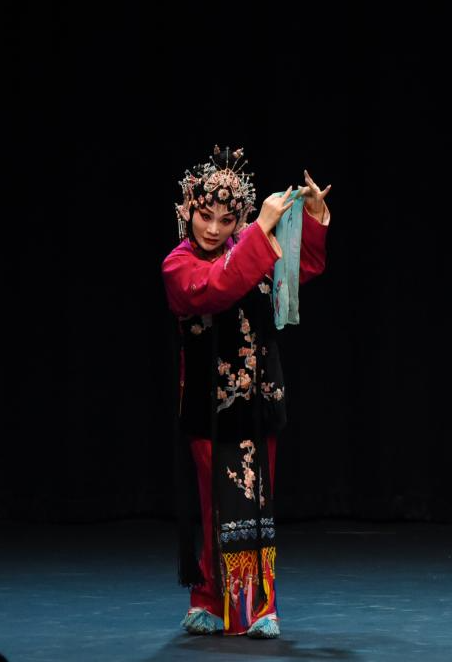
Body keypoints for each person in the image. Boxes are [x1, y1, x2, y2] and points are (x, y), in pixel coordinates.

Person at [162, 145, 331, 638]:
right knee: (216, 503)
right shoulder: (179, 264)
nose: (213, 229)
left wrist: (312, 218)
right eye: (205, 216)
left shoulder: (251, 249)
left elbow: (300, 269)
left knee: (258, 502)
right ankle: (210, 598)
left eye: (227, 219)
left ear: (238, 219)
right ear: (186, 210)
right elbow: (219, 287)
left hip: (257, 399)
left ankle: (259, 607)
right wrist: (260, 231)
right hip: (207, 405)